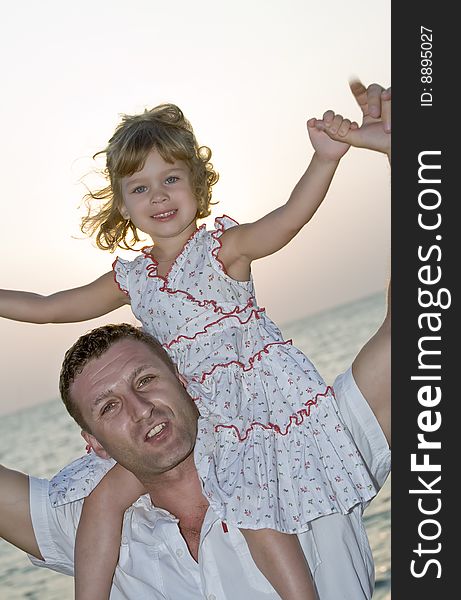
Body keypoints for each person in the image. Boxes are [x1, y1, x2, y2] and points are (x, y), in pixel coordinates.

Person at [0, 78, 391, 599]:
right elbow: (51, 308)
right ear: (121, 204)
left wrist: (325, 160)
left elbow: (288, 220)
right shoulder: (131, 278)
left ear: (198, 183)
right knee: (102, 501)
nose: (158, 196)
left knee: (255, 509)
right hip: (204, 415)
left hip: (254, 410)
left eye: (171, 178)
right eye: (139, 188)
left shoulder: (223, 250)